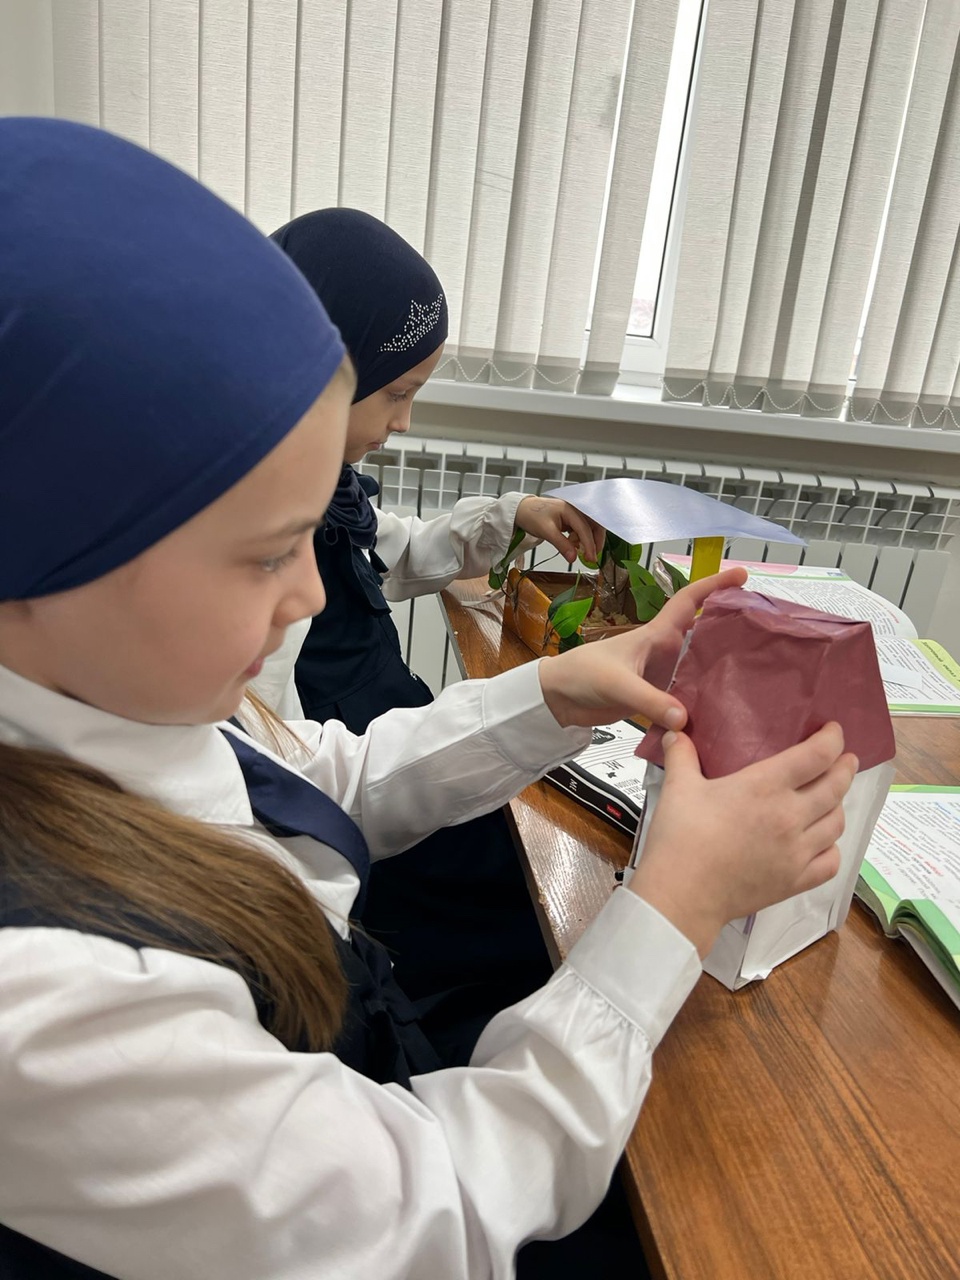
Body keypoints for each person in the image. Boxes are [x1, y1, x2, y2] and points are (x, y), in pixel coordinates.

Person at [0, 118, 856, 1280]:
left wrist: (553, 691)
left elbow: (313, 776)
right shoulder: (47, 999)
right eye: (269, 553)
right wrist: (676, 903)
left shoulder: (111, 695)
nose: (311, 591)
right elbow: (434, 1212)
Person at [255, 210, 605, 1053]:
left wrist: (510, 516)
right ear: (322, 374)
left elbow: (396, 550)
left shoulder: (329, 486)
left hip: (391, 745)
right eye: (397, 393)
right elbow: (282, 769)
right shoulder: (251, 524)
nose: (406, 422)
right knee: (540, 892)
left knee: (534, 830)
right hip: (356, 792)